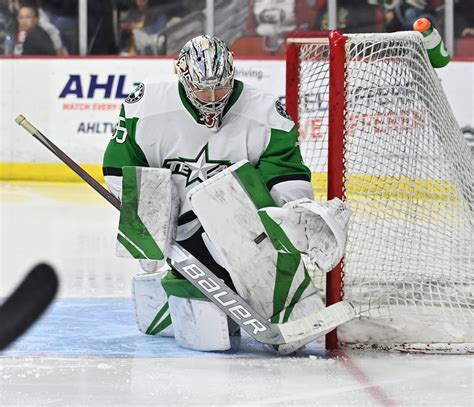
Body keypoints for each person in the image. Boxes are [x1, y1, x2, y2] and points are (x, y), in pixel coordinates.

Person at [103, 35, 351, 353]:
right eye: (201, 88)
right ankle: (174, 295)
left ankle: (282, 301)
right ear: (181, 75)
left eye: (220, 87)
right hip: (180, 225)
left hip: (245, 229)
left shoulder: (266, 114)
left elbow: (284, 176)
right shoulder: (146, 106)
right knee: (209, 338)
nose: (211, 97)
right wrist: (149, 229)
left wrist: (292, 214)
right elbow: (122, 170)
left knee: (235, 199)